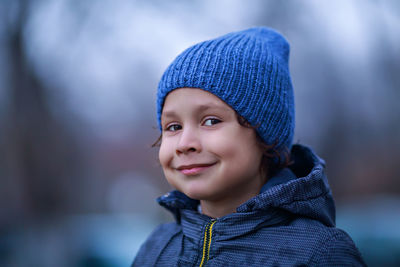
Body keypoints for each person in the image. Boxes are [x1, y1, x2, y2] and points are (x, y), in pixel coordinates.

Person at [132, 27, 366, 266]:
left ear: (265, 137)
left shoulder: (319, 254)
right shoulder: (156, 248)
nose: (184, 144)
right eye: (173, 127)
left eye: (211, 121)